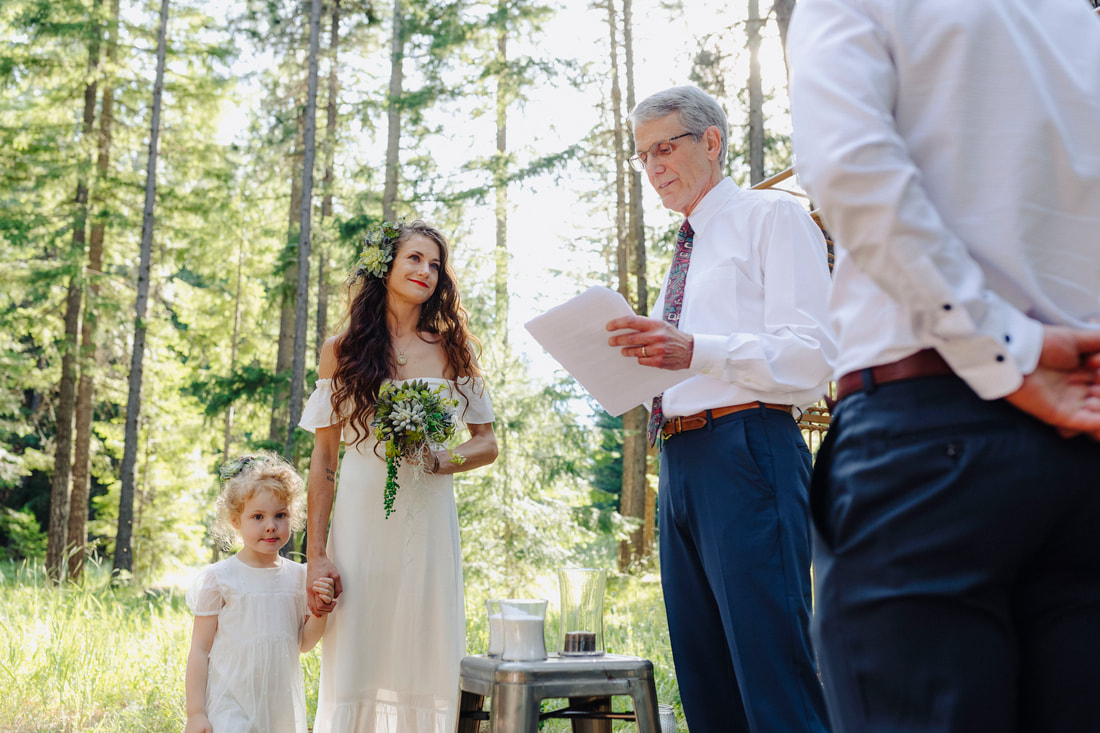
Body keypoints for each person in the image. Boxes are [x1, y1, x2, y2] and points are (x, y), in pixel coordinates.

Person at [787, 1, 1100, 731]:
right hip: (1085, 446)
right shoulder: (1079, 22)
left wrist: (1000, 346)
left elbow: (849, 164)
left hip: (927, 445)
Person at [606, 85, 835, 733]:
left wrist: (694, 349)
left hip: (748, 450)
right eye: (642, 156)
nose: (653, 168)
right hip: (679, 466)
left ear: (711, 141)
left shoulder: (772, 218)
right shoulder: (689, 245)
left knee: (775, 680)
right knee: (708, 687)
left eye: (664, 148)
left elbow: (811, 357)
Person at [299, 219, 498, 733]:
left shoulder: (454, 349)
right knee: (360, 642)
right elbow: (324, 462)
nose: (426, 271)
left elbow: (486, 443)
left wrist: (442, 460)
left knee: (426, 637)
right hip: (361, 519)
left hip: (429, 517)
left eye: (434, 264)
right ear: (383, 265)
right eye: (414, 258)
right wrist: (315, 554)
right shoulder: (339, 350)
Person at [185, 451, 334, 733]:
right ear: (235, 520)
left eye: (280, 515)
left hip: (279, 707)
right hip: (230, 703)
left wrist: (321, 610)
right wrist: (196, 713)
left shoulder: (299, 577)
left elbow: (303, 643)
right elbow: (199, 649)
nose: (270, 525)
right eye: (257, 516)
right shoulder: (219, 579)